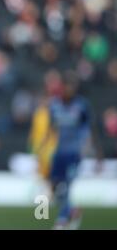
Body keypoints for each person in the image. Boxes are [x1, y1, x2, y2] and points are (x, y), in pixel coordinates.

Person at [41, 71, 102, 229]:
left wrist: (98, 155)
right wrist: (42, 147)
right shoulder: (54, 105)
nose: (69, 90)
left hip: (74, 153)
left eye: (72, 87)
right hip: (59, 152)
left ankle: (62, 220)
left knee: (67, 185)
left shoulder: (81, 105)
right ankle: (73, 211)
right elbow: (51, 128)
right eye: (66, 86)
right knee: (54, 186)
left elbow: (91, 130)